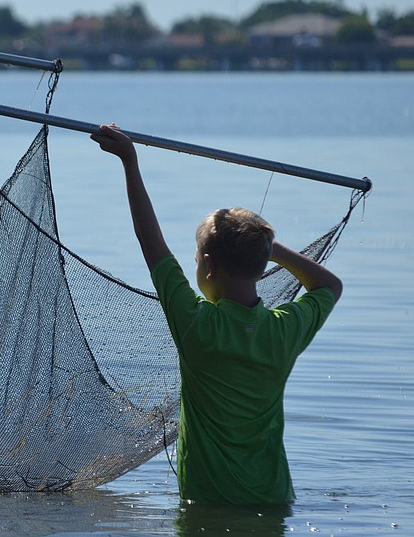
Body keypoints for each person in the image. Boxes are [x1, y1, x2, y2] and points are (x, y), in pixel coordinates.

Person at [90, 124, 343, 505]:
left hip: (207, 502)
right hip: (273, 499)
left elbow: (151, 242)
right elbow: (329, 286)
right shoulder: (284, 329)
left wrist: (130, 161)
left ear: (208, 267)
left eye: (194, 260)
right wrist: (271, 250)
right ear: (261, 269)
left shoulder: (196, 324)